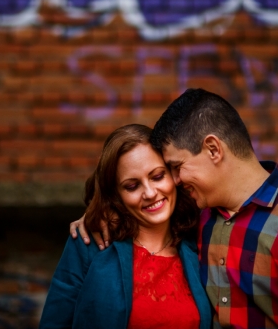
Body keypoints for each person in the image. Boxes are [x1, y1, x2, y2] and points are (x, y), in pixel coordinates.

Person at [70, 89, 278, 328]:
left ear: (214, 149)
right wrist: (98, 216)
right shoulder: (200, 218)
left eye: (177, 168)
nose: (174, 181)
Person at [40, 124, 212, 329]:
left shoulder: (203, 238)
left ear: (174, 176)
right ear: (116, 195)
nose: (149, 193)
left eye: (157, 176)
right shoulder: (90, 241)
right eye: (132, 186)